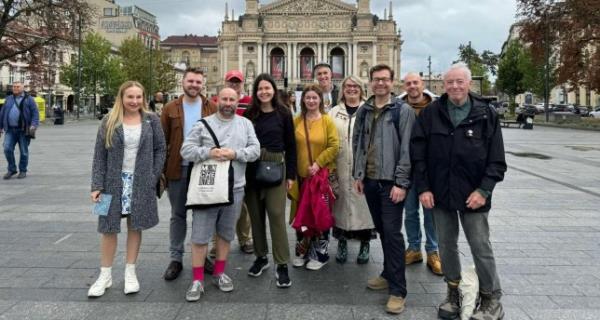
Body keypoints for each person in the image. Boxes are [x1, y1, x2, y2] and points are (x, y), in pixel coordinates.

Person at [411, 62, 507, 320]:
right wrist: (424, 188)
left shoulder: (486, 114)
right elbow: (418, 155)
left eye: (459, 82)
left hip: (473, 194)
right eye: (450, 82)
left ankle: (491, 299)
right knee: (446, 245)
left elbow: (497, 160)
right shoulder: (432, 113)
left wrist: (483, 191)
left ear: (469, 84)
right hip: (440, 193)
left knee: (480, 245)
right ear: (443, 85)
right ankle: (454, 293)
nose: (454, 86)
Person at [180, 87, 260, 302]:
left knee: (225, 234)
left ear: (237, 102)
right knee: (199, 235)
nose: (227, 103)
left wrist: (235, 154)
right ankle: (197, 279)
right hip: (206, 189)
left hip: (234, 188)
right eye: (224, 99)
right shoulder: (203, 124)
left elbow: (255, 151)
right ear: (217, 101)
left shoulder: (245, 124)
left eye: (231, 99)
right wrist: (208, 153)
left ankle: (219, 273)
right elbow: (186, 150)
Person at [88, 81, 166, 297]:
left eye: (138, 97)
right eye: (130, 97)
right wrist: (96, 185)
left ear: (143, 98)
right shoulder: (108, 120)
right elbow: (99, 155)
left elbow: (161, 149)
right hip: (110, 181)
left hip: (141, 181)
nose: (134, 101)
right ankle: (105, 275)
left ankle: (130, 271)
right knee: (107, 227)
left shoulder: (151, 120)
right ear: (121, 98)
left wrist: (153, 175)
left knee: (136, 224)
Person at [352, 64, 415, 314]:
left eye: (385, 80)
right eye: (376, 80)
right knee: (383, 230)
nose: (380, 84)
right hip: (370, 180)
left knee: (392, 233)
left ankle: (398, 290)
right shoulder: (365, 110)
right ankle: (389, 273)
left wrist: (401, 182)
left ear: (392, 82)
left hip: (391, 183)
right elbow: (358, 143)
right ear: (370, 82)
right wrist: (358, 174)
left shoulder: (403, 110)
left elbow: (408, 149)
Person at [161, 67, 217, 281]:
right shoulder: (169, 108)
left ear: (203, 84)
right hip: (178, 168)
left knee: (203, 216)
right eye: (190, 81)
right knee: (178, 215)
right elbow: (162, 141)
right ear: (183, 82)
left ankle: (201, 257)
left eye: (198, 82)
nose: (194, 85)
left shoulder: (212, 107)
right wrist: (160, 172)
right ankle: (176, 258)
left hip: (204, 169)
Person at [244, 74, 297, 288]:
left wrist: (291, 175)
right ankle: (261, 256)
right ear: (255, 92)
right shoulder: (250, 114)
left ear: (274, 90)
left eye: (267, 88)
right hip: (252, 167)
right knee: (255, 215)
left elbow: (292, 145)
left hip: (276, 165)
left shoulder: (283, 113)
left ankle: (282, 263)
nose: (264, 92)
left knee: (276, 215)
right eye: (260, 89)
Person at [397, 72, 442, 276]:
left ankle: (433, 251)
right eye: (409, 83)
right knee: (411, 211)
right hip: (407, 168)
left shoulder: (437, 107)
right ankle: (414, 248)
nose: (413, 86)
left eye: (416, 82)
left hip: (430, 168)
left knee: (430, 211)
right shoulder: (398, 107)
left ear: (422, 84)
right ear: (404, 86)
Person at [291, 84, 339, 271]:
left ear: (320, 100)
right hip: (301, 178)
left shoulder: (327, 121)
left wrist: (318, 163)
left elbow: (334, 146)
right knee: (301, 216)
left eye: (314, 98)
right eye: (308, 97)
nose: (311, 101)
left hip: (320, 178)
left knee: (320, 215)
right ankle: (302, 250)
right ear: (303, 100)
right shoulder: (297, 120)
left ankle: (320, 254)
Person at [328, 76, 375, 264]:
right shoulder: (333, 112)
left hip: (363, 167)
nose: (351, 89)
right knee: (340, 205)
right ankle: (342, 242)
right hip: (340, 165)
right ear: (342, 89)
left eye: (355, 86)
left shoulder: (370, 111)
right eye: (348, 86)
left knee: (364, 206)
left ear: (361, 89)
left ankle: (365, 243)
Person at [210, 69, 254, 254]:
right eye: (231, 81)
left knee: (242, 202)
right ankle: (215, 244)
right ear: (226, 82)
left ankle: (245, 238)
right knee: (215, 203)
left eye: (237, 82)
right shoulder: (215, 102)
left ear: (242, 83)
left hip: (241, 158)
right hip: (218, 158)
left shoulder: (250, 103)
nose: (234, 84)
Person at [0, 81, 39, 179]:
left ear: (22, 88)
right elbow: (2, 113)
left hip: (23, 130)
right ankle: (12, 169)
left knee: (24, 151)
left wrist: (33, 125)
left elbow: (35, 114)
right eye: (14, 86)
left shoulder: (29, 99)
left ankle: (23, 170)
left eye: (17, 87)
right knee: (7, 149)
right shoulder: (8, 99)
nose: (15, 88)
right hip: (10, 130)